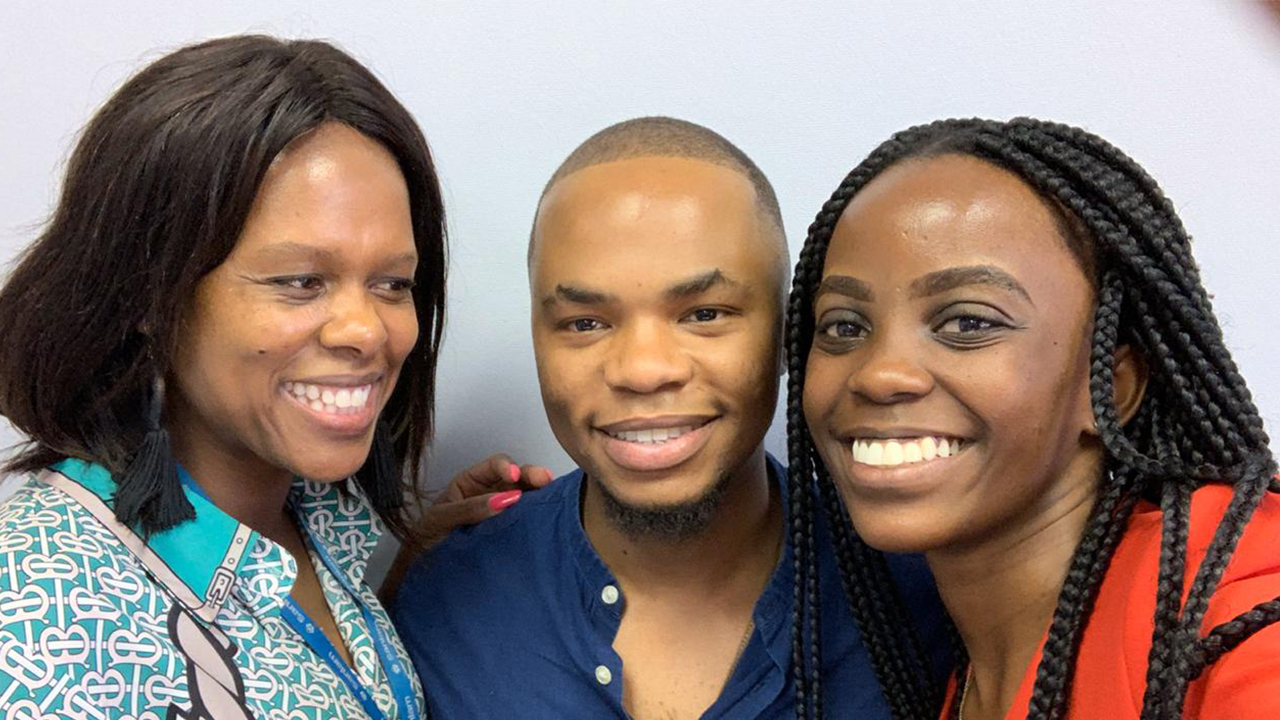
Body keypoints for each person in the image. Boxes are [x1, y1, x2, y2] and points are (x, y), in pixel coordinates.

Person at [390, 117, 947, 720]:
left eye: (704, 313)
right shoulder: (445, 601)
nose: (644, 370)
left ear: (790, 333)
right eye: (585, 323)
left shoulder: (928, 598)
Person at [0, 35, 448, 719]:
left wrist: (426, 581)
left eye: (392, 282)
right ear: (150, 296)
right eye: (301, 281)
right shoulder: (41, 620)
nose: (368, 330)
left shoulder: (312, 524)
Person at [785, 117, 1280, 720]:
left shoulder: (1233, 603)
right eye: (844, 326)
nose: (879, 374)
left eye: (968, 323)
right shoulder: (951, 673)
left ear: (1113, 388)